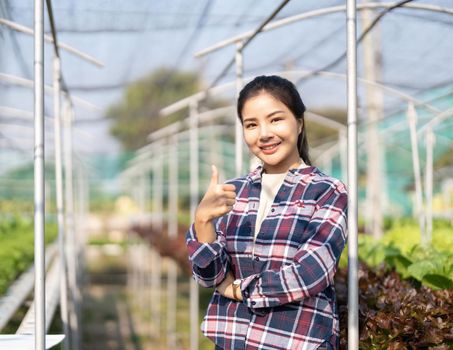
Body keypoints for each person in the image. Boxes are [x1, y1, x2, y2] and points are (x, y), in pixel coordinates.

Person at [186, 75, 348, 350]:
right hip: (231, 341)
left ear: (299, 122)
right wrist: (202, 220)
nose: (264, 134)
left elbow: (310, 272)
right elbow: (209, 276)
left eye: (275, 119)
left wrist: (238, 289)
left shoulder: (327, 191)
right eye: (251, 124)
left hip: (296, 341)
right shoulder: (231, 192)